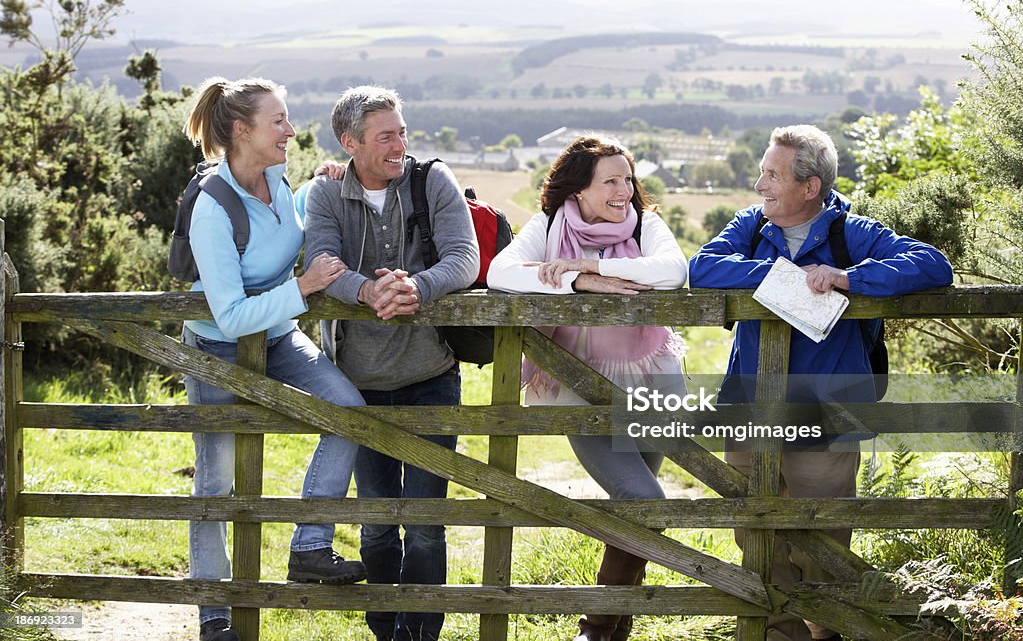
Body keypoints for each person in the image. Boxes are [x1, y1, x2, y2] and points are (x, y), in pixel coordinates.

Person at [689, 124, 953, 641]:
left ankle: (825, 631)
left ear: (810, 187)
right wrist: (787, 277)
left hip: (825, 409)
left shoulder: (849, 232)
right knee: (756, 530)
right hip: (749, 405)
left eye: (772, 174)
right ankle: (778, 633)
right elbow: (703, 268)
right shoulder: (751, 224)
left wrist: (847, 278)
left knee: (824, 533)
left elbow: (931, 265)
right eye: (762, 172)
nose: (760, 184)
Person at [180, 77, 369, 641]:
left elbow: (292, 232)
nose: (291, 130)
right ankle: (214, 617)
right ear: (243, 131)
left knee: (346, 412)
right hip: (217, 346)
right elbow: (232, 315)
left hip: (280, 335)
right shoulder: (212, 207)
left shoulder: (279, 181)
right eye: (279, 121)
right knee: (215, 482)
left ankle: (310, 547)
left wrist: (326, 186)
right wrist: (306, 287)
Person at [487, 134, 688, 641]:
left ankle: (607, 629)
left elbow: (672, 271)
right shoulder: (550, 225)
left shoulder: (644, 223)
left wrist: (591, 264)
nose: (624, 190)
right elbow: (501, 272)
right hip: (581, 384)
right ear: (578, 190)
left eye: (628, 178)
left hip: (652, 377)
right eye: (611, 181)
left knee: (637, 507)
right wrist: (576, 284)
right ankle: (599, 625)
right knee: (643, 501)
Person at [301, 85, 479, 641]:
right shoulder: (326, 192)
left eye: (402, 131)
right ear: (350, 143)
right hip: (358, 383)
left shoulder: (432, 180)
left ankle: (421, 634)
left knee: (426, 524)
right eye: (385, 136)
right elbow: (318, 260)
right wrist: (367, 294)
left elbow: (465, 257)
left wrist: (415, 289)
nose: (399, 143)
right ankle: (386, 631)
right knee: (377, 525)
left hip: (431, 376)